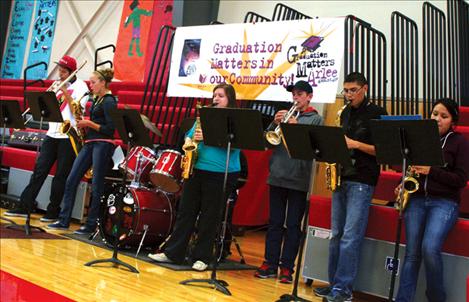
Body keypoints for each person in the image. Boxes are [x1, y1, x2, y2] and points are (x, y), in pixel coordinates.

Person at [148, 83, 241, 271]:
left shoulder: (235, 120)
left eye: (221, 96)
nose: (216, 98)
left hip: (220, 172)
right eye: (215, 95)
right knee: (186, 212)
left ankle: (202, 257)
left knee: (209, 216)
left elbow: (236, 144)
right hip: (196, 169)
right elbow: (188, 138)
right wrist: (191, 139)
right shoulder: (203, 117)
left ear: (229, 99)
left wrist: (208, 135)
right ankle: (173, 252)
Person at [314, 72, 387, 302]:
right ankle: (334, 284)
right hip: (341, 177)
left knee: (350, 237)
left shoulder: (378, 113)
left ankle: (343, 291)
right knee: (336, 235)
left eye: (353, 90)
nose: (348, 95)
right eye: (345, 91)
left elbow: (382, 150)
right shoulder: (344, 112)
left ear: (365, 88)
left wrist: (354, 143)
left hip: (362, 180)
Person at [395, 98, 469, 302]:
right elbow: (412, 169)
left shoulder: (459, 142)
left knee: (429, 247)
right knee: (411, 253)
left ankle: (436, 298)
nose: (437, 119)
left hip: (444, 202)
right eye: (435, 114)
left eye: (444, 116)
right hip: (417, 199)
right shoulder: (421, 138)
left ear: (453, 121)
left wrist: (431, 171)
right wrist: (404, 182)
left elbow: (461, 180)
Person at [255, 80, 323, 284]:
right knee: (274, 223)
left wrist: (295, 127)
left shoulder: (316, 120)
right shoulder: (284, 116)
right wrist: (276, 124)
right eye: (293, 94)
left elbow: (311, 149)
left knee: (293, 225)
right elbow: (267, 141)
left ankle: (287, 268)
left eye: (300, 94)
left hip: (298, 179)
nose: (295, 98)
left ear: (309, 97)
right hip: (277, 175)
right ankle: (269, 263)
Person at [5, 55, 89, 222]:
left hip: (67, 136)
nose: (60, 73)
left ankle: (53, 212)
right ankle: (24, 207)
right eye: (60, 70)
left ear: (72, 71)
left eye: (64, 71)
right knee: (39, 171)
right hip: (52, 133)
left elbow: (77, 112)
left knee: (60, 176)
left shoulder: (82, 87)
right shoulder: (56, 84)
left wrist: (66, 93)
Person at [47, 68, 117, 234]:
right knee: (71, 180)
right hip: (90, 142)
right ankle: (64, 220)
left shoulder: (109, 101)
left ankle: (91, 224)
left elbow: (110, 129)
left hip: (102, 143)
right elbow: (79, 113)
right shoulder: (95, 99)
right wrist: (68, 96)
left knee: (97, 184)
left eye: (93, 82)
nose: (90, 85)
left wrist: (89, 124)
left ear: (103, 83)